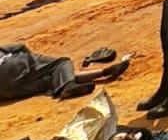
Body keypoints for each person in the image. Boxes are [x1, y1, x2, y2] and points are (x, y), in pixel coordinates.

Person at [0, 44, 129, 102]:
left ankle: (104, 72)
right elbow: (20, 47)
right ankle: (68, 86)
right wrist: (34, 63)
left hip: (9, 91)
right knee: (62, 62)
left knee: (53, 78)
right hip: (15, 66)